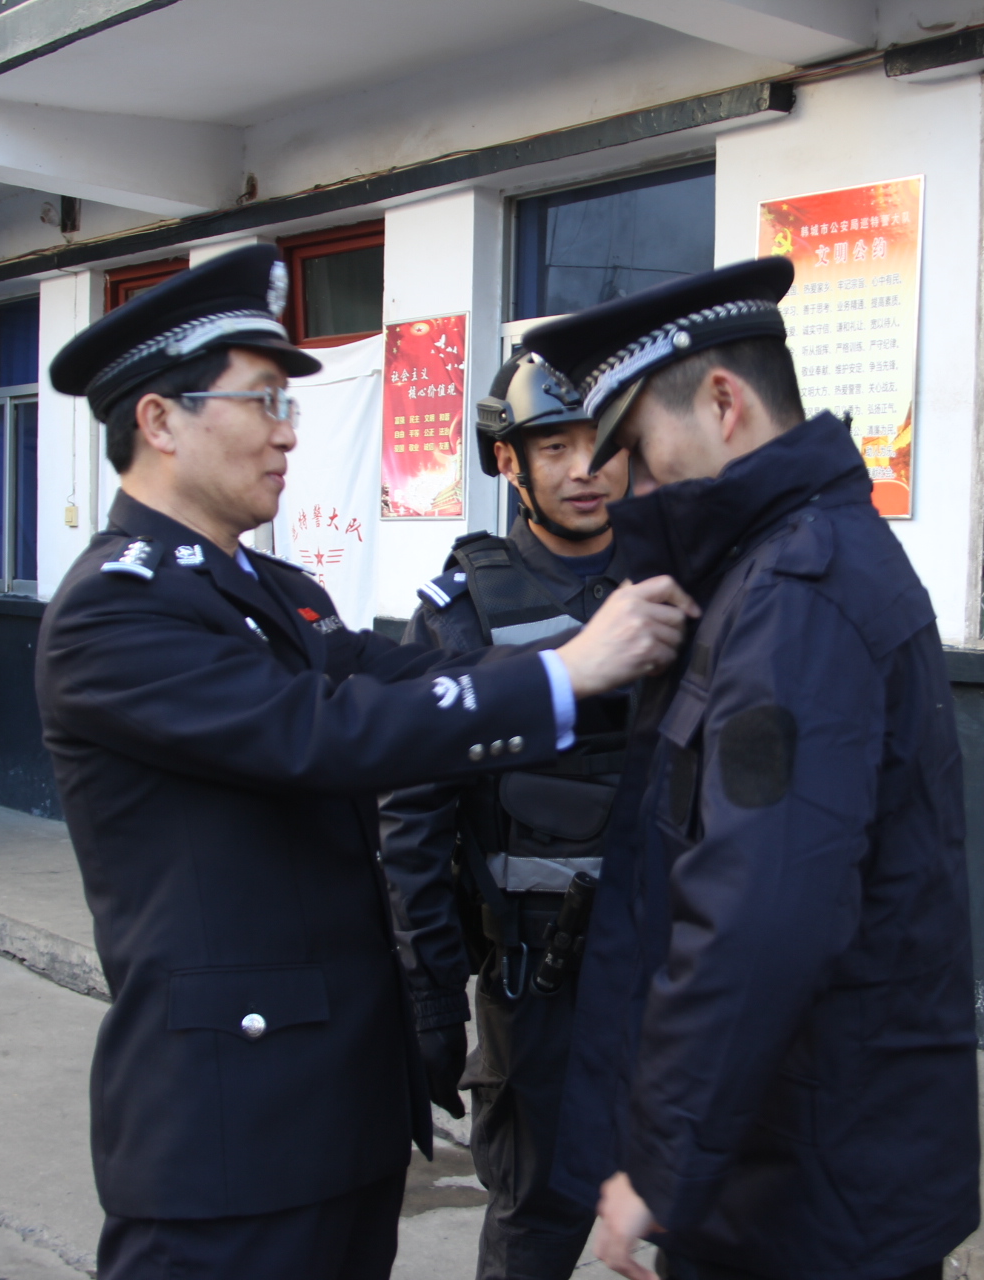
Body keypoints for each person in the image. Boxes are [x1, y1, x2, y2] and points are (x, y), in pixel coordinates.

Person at [32, 243, 696, 1280]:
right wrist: (565, 672)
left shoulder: (276, 592)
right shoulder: (115, 612)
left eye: (289, 406)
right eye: (262, 402)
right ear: (160, 420)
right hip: (229, 1129)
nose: (288, 432)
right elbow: (324, 731)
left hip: (339, 1110)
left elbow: (413, 677)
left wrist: (623, 665)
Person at [524, 258, 980, 1280]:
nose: (629, 490)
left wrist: (662, 1156)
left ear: (724, 403)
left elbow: (760, 906)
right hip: (796, 1149)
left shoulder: (795, 593)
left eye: (639, 453)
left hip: (813, 1180)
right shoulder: (768, 566)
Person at [379, 350, 632, 1280]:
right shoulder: (462, 614)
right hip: (540, 984)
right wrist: (431, 997)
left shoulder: (690, 581)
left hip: (684, 973)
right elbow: (413, 817)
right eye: (554, 447)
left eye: (602, 444)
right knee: (536, 1216)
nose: (584, 469)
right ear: (507, 462)